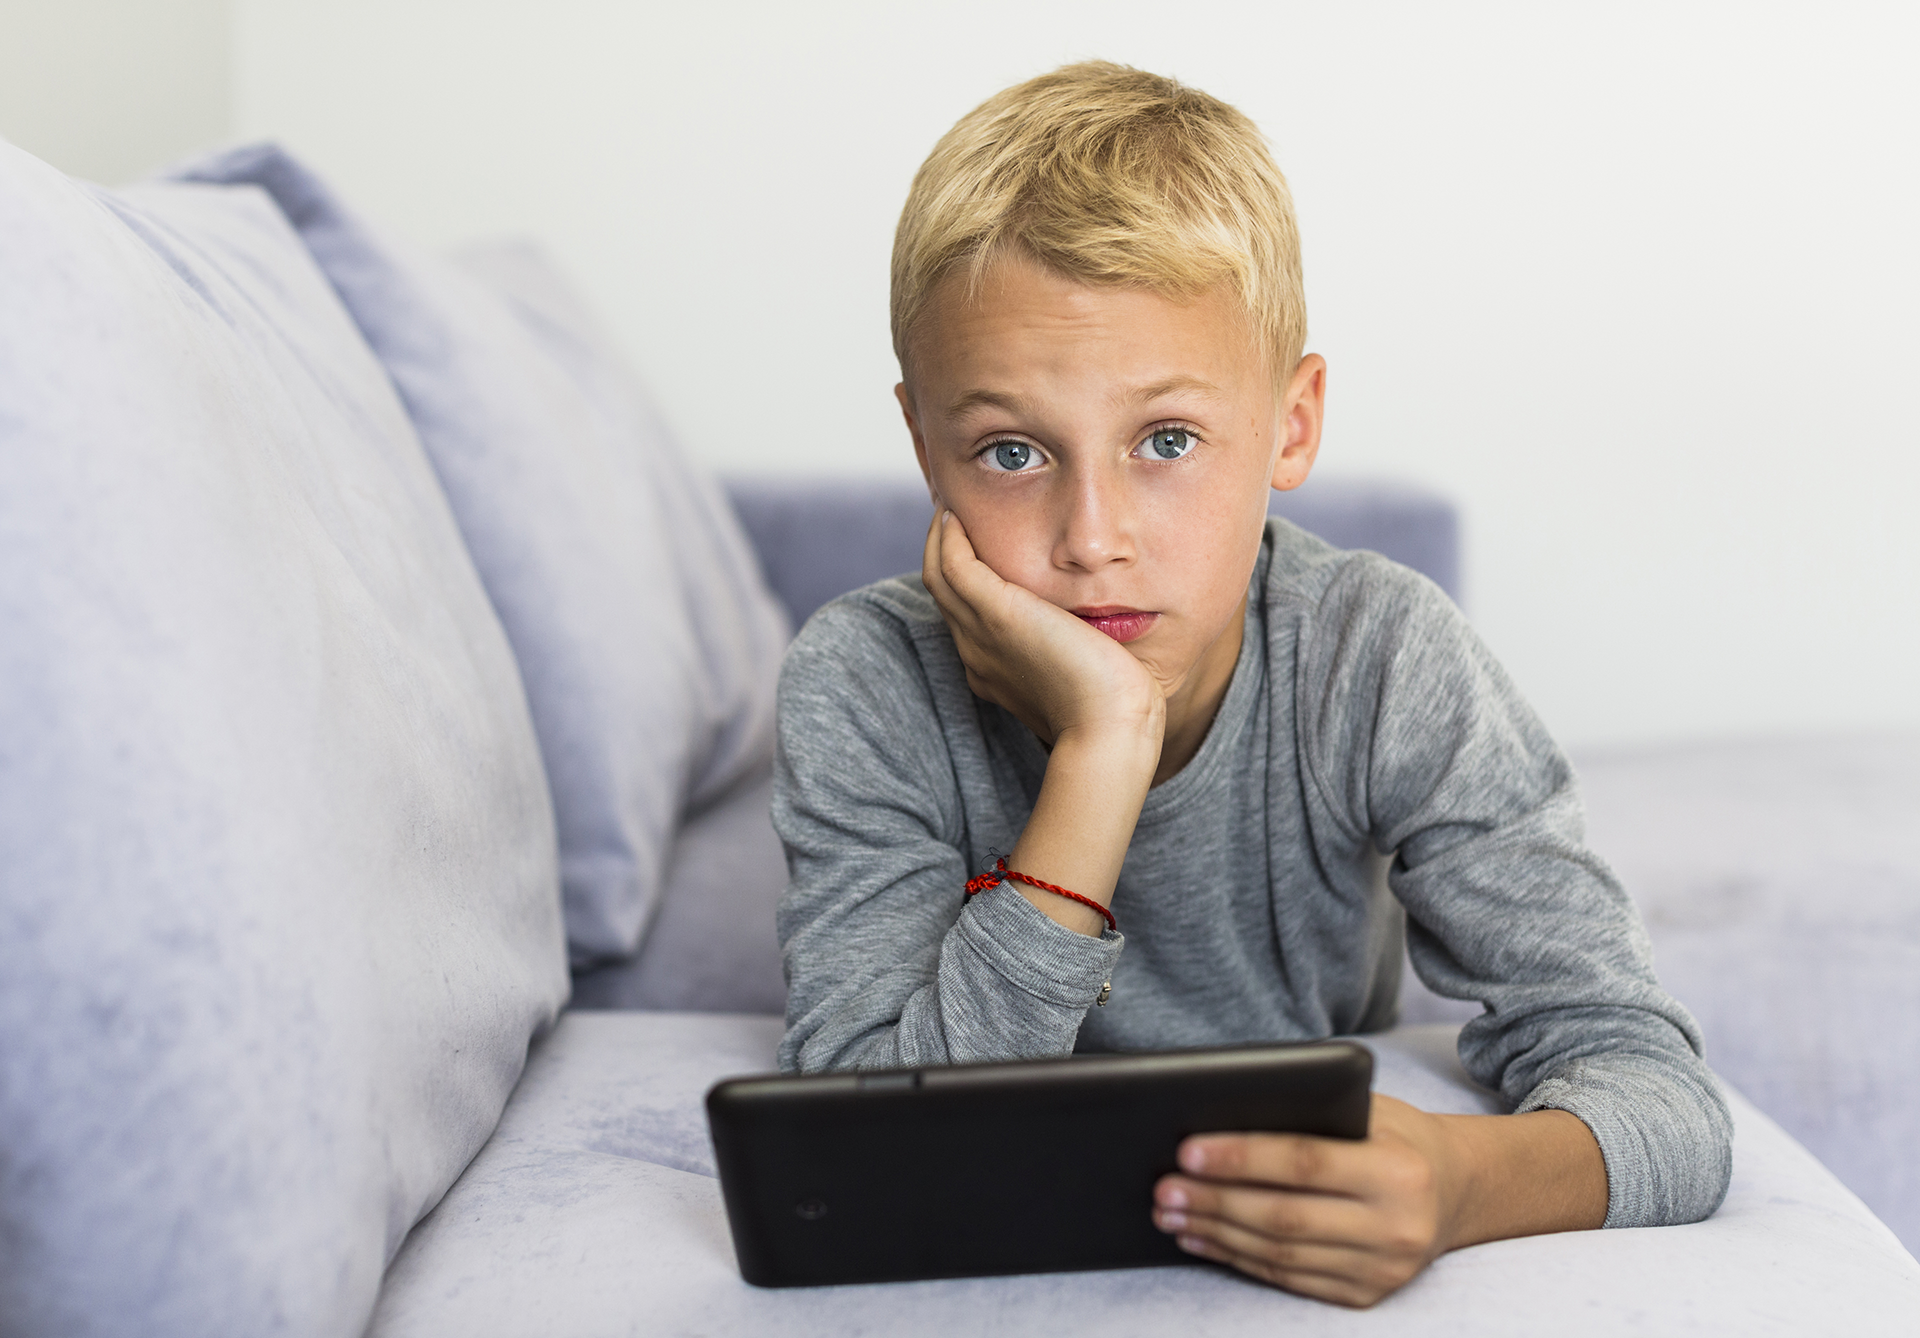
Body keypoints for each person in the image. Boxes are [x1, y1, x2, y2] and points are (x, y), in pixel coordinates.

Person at [770, 60, 1730, 1307]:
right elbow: (866, 1158)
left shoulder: (1377, 658)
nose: (1093, 537)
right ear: (923, 448)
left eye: (1166, 440)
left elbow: (1659, 1093)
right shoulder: (864, 682)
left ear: (1291, 423)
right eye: (1012, 452)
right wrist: (1103, 747)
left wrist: (1457, 1181)